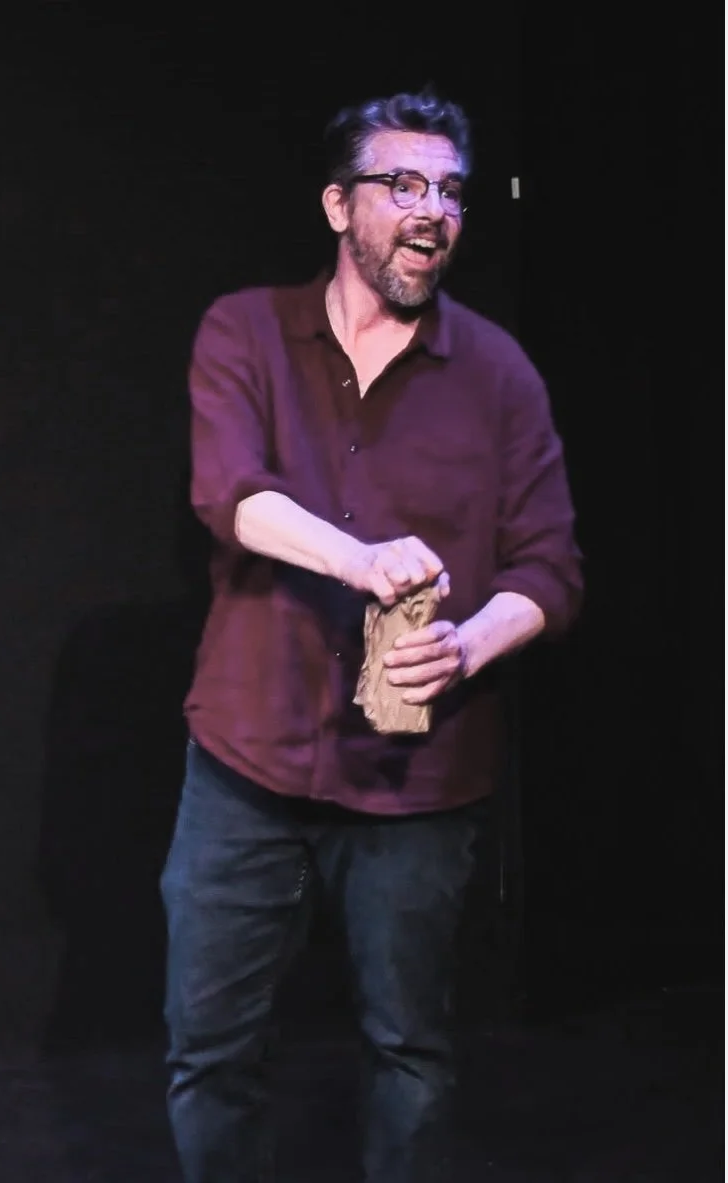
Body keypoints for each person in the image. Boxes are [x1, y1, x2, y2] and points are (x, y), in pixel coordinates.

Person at [160, 90, 583, 1183]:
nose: (432, 209)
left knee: (411, 1052)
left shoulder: (499, 373)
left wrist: (471, 644)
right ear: (339, 205)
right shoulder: (245, 330)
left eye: (451, 191)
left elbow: (550, 568)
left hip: (416, 780)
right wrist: (360, 558)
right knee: (212, 1055)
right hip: (250, 760)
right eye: (403, 184)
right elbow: (230, 494)